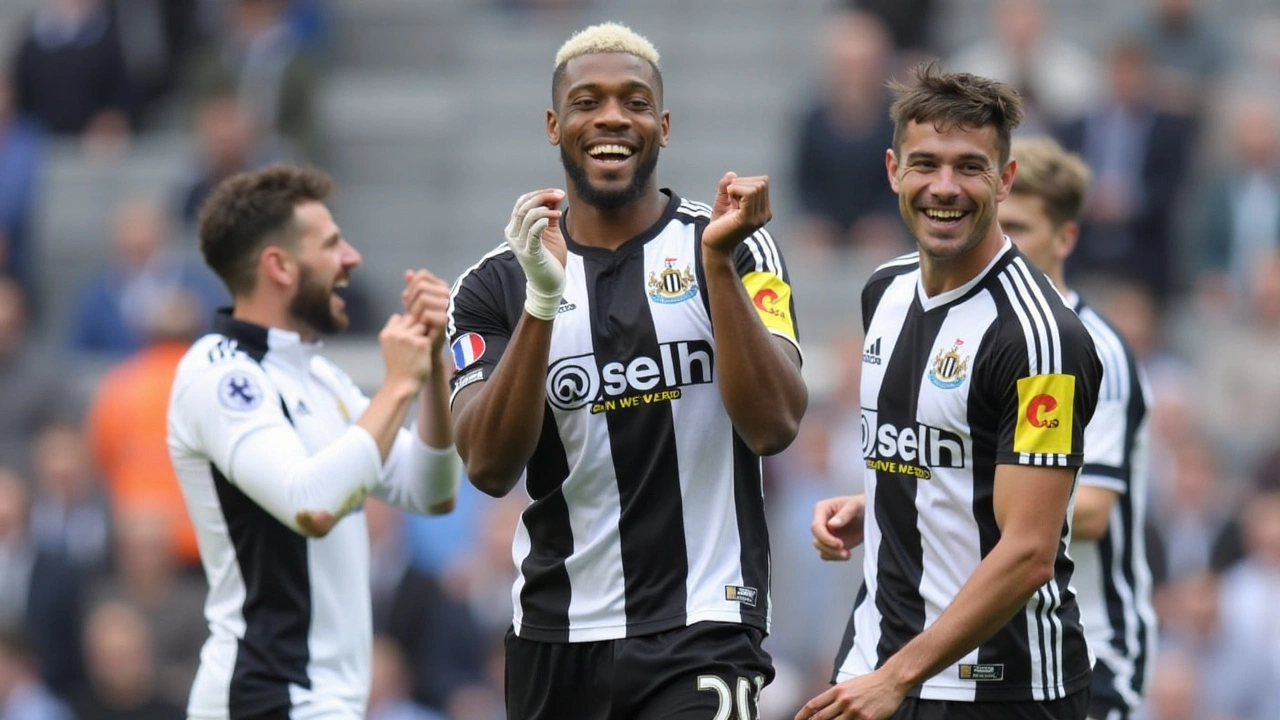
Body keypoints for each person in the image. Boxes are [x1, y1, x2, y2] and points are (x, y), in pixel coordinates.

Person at [447, 22, 808, 720]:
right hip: (557, 636)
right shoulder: (492, 287)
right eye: (587, 102)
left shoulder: (732, 248)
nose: (612, 116)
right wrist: (543, 300)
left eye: (634, 102)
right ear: (555, 125)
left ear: (663, 125)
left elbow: (775, 424)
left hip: (705, 626)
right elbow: (489, 466)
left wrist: (717, 268)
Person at [799, 63, 1102, 720]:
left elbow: (1028, 553)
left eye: (969, 166)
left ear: (1005, 178)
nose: (945, 187)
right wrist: (882, 499)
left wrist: (897, 678)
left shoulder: (1039, 338)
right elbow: (954, 452)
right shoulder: (883, 289)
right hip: (878, 662)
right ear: (891, 170)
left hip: (999, 687)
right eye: (925, 163)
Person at [166, 164, 461, 720]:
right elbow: (311, 504)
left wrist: (432, 373)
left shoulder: (319, 376)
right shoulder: (219, 375)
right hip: (265, 696)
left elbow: (432, 491)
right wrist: (398, 384)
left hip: (320, 701)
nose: (351, 258)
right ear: (278, 265)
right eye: (331, 244)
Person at [998, 136, 1157, 720]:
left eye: (1018, 226)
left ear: (1066, 237)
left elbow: (1089, 511)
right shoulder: (984, 338)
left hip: (1092, 643)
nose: (1000, 243)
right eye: (995, 223)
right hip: (1008, 641)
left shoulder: (1098, 350)